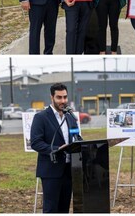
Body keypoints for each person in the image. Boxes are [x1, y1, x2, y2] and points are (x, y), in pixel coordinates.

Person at [30, 83, 81, 213]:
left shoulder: (70, 117)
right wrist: (57, 148)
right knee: (51, 209)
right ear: (51, 97)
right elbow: (36, 142)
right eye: (59, 97)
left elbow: (76, 138)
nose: (63, 101)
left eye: (65, 97)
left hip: (69, 170)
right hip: (51, 170)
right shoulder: (41, 117)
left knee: (64, 209)